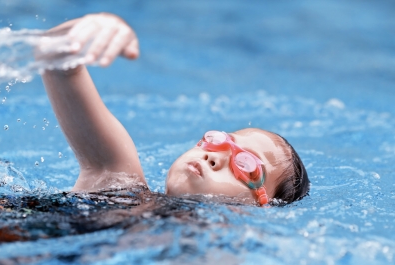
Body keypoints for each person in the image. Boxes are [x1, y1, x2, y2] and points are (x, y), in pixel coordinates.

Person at [41, 13, 309, 206]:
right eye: (221, 142)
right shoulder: (115, 179)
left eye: (246, 165)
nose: (215, 159)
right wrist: (94, 28)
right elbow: (56, 60)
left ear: (261, 206)